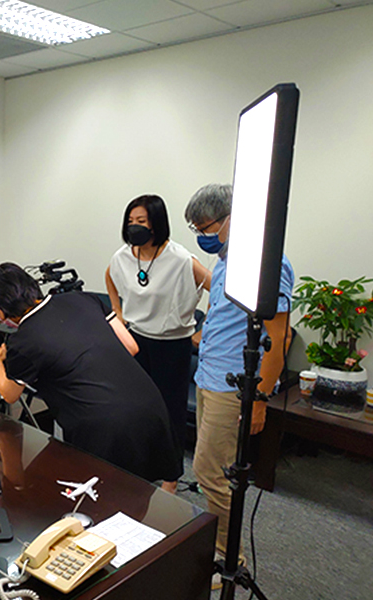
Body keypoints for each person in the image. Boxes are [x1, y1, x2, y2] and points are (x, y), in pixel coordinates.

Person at [0, 262, 182, 488]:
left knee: (113, 495)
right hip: (150, 403)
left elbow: (9, 394)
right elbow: (131, 347)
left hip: (106, 424)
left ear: (0, 310)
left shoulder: (23, 341)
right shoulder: (82, 298)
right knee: (146, 487)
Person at [185, 184, 293, 587]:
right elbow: (224, 314)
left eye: (205, 226)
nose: (202, 234)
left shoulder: (267, 265)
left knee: (211, 472)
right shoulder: (227, 263)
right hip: (209, 378)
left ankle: (230, 556)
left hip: (234, 389)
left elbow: (279, 337)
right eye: (196, 228)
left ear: (233, 218)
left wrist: (261, 399)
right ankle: (217, 546)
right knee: (210, 471)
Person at [105, 194, 211, 489]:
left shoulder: (180, 259)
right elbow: (110, 277)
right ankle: (141, 467)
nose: (134, 226)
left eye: (141, 221)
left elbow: (218, 288)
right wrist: (117, 312)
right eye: (130, 221)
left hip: (172, 345)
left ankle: (171, 477)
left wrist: (205, 329)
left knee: (169, 413)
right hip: (136, 340)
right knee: (137, 407)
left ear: (157, 224)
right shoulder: (123, 256)